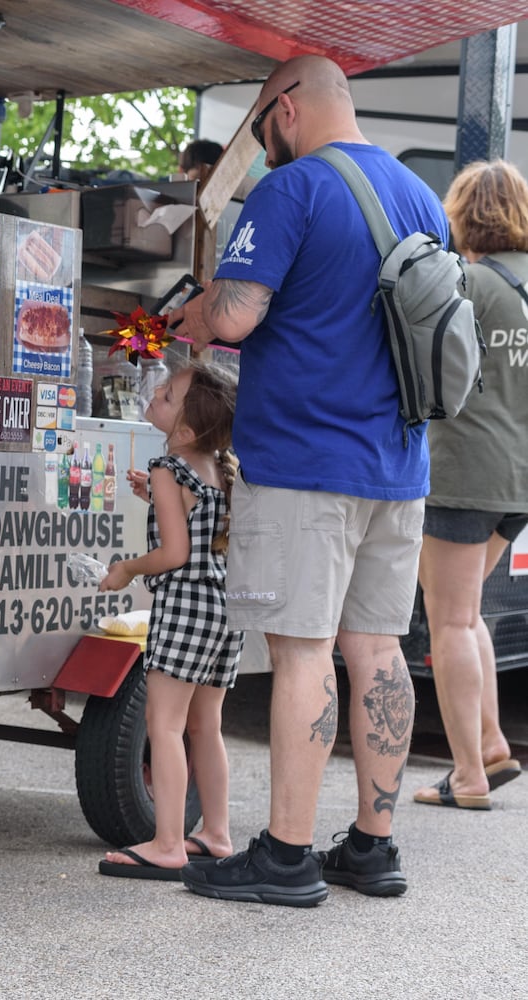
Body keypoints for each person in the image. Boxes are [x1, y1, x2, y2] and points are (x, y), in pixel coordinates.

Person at [171, 54, 447, 906]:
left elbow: (236, 315)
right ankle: (373, 845)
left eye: (261, 130)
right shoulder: (419, 196)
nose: (265, 146)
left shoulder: (292, 192)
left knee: (302, 655)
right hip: (397, 469)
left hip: (304, 467)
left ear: (285, 110)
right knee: (377, 650)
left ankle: (286, 854)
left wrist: (194, 313)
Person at [96, 362, 244, 881]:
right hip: (226, 610)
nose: (156, 393)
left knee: (164, 726)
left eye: (168, 393)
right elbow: (201, 530)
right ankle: (217, 832)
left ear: (183, 430)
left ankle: (166, 843)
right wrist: (154, 498)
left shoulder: (167, 468)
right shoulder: (222, 468)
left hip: (184, 608)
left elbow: (174, 554)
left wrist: (127, 569)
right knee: (207, 726)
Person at [411, 159, 528, 810]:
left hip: (462, 470)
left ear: (462, 213)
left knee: (449, 620)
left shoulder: (467, 283)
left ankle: (466, 777)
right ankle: (488, 745)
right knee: (470, 611)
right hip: (518, 480)